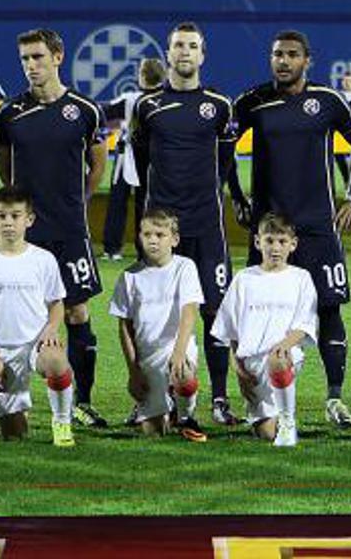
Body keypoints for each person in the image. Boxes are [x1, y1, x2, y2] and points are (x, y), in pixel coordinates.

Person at [229, 31, 351, 427]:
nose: (283, 61)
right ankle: (260, 401)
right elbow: (223, 148)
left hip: (318, 226)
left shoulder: (327, 101)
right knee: (258, 312)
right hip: (269, 230)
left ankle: (335, 399)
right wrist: (237, 196)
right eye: (277, 54)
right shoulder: (252, 102)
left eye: (292, 55)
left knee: (329, 307)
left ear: (307, 60)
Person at [0, 28, 108, 428]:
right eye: (25, 59)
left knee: (76, 311)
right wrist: (19, 211)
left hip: (70, 230)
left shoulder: (85, 110)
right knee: (12, 314)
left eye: (38, 57)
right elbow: (4, 167)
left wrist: (79, 200)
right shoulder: (9, 113)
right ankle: (7, 400)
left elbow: (98, 163)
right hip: (25, 234)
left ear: (58, 57)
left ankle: (82, 402)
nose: (31, 65)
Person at [127, 22, 238, 427]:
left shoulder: (219, 105)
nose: (185, 52)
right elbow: (142, 164)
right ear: (168, 53)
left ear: (202, 54)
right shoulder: (147, 106)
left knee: (215, 310)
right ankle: (153, 396)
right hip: (162, 226)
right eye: (178, 46)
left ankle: (220, 399)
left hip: (206, 224)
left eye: (192, 46)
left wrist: (215, 194)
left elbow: (225, 163)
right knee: (153, 314)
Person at [0, 188, 77, 447]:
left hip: (36, 344)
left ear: (29, 219)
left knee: (56, 359)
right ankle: (15, 412)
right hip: (2, 352)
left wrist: (51, 329)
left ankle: (62, 422)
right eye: (2, 216)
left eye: (15, 216)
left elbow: (56, 303)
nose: (8, 222)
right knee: (14, 437)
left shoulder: (43, 259)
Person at [210, 214, 319, 446]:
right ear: (258, 242)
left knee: (277, 360)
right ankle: (273, 417)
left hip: (285, 356)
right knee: (267, 433)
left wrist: (283, 346)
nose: (275, 248)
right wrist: (238, 368)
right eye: (269, 240)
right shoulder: (243, 279)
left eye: (282, 241)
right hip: (252, 366)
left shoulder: (301, 278)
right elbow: (230, 331)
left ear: (293, 244)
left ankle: (288, 422)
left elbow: (305, 326)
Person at [107, 207, 205, 439]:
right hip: (147, 357)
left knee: (183, 375)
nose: (153, 240)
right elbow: (125, 327)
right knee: (153, 432)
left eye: (160, 235)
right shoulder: (129, 277)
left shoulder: (184, 267)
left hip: (175, 348)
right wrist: (133, 371)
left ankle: (186, 417)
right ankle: (167, 409)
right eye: (147, 234)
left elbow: (190, 311)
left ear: (174, 239)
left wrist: (179, 352)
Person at [101, 58, 166, 261]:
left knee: (118, 202)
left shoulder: (131, 99)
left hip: (128, 156)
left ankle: (112, 248)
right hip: (155, 159)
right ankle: (145, 250)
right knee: (146, 202)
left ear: (142, 76)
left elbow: (102, 112)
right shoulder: (168, 100)